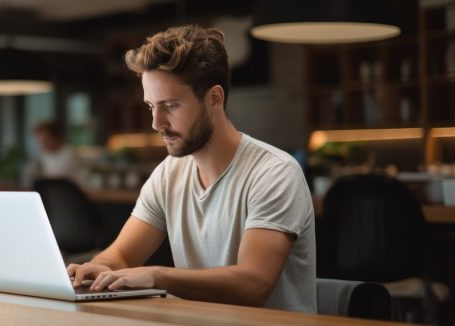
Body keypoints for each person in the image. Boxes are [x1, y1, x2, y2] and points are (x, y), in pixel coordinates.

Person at [67, 25, 316, 313]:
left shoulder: (274, 173)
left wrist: (159, 276)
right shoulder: (168, 174)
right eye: (151, 106)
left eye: (170, 106)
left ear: (214, 98)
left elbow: (254, 284)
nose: (156, 123)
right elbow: (121, 254)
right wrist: (97, 268)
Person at [24, 120, 86, 187]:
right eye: (39, 140)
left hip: (74, 193)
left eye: (45, 140)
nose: (42, 143)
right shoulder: (43, 155)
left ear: (56, 138)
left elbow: (57, 177)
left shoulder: (69, 154)